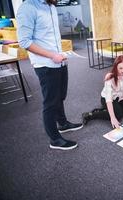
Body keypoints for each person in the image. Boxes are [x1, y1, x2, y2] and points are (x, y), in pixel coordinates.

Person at [16, 0, 83, 151]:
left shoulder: (51, 6)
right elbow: (25, 41)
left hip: (59, 61)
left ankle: (63, 124)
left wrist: (59, 54)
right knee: (50, 102)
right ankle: (55, 139)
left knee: (60, 96)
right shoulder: (28, 7)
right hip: (45, 64)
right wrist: (51, 55)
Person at [82, 55, 123, 128]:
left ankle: (108, 110)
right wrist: (112, 118)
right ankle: (91, 115)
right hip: (106, 99)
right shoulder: (109, 78)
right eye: (120, 68)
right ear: (115, 67)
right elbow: (109, 100)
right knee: (117, 116)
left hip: (119, 98)